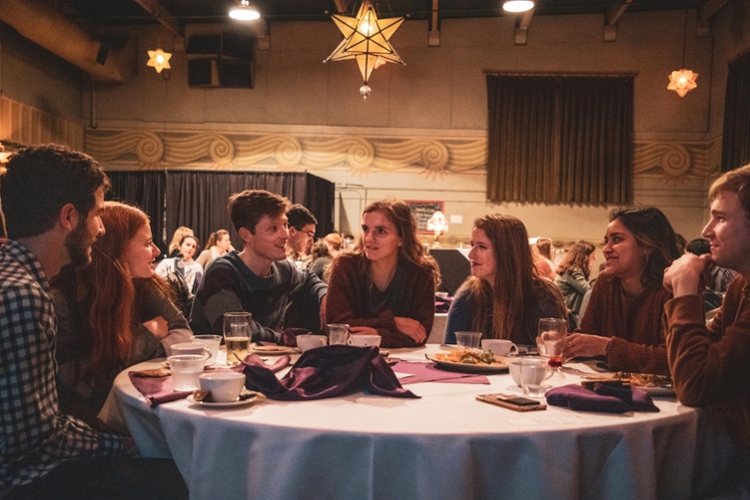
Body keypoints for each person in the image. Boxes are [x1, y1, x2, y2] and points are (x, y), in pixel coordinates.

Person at [0, 145, 187, 499]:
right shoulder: (23, 297)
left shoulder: (12, 275)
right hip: (23, 482)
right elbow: (36, 441)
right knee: (179, 478)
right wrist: (127, 445)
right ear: (69, 217)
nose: (101, 229)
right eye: (97, 214)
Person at [51, 202, 193, 428]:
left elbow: (185, 335)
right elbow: (82, 384)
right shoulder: (64, 300)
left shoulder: (145, 284)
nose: (156, 251)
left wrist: (121, 358)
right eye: (147, 243)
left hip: (137, 411)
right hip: (90, 427)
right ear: (117, 249)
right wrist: (149, 333)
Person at [663, 164, 750, 451]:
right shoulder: (740, 287)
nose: (706, 231)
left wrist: (685, 292)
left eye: (720, 218)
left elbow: (694, 385)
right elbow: (691, 361)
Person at [190, 190, 327, 342]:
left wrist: (324, 295)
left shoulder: (283, 269)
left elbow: (309, 279)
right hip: (212, 361)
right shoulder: (222, 273)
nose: (286, 235)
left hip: (260, 360)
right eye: (273, 228)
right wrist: (284, 338)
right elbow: (237, 330)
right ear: (246, 235)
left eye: (285, 225)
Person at [564, 207, 680, 375]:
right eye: (606, 241)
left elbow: (671, 359)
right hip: (610, 388)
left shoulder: (673, 288)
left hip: (661, 399)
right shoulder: (605, 282)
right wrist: (564, 342)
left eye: (616, 240)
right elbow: (589, 336)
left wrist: (607, 347)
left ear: (647, 245)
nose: (605, 249)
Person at [326, 199, 440, 348]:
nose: (369, 238)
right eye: (366, 229)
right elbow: (338, 328)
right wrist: (394, 323)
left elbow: (419, 335)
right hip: (350, 359)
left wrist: (377, 334)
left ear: (401, 239)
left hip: (403, 362)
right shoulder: (346, 266)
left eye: (381, 231)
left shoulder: (421, 273)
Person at [444, 214, 565, 346]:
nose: (471, 254)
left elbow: (552, 355)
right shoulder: (468, 295)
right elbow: (451, 352)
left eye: (482, 247)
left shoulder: (542, 297)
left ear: (507, 252)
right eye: (472, 245)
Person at [554, 240, 596, 327]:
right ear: (585, 257)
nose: (594, 259)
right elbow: (588, 291)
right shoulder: (573, 271)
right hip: (570, 317)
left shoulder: (569, 270)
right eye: (593, 256)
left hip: (564, 315)